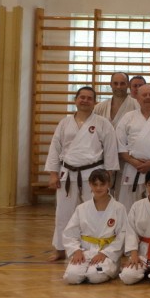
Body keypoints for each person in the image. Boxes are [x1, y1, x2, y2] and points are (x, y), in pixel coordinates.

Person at [45, 86, 120, 260]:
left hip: (94, 174)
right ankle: (60, 248)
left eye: (89, 98)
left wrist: (108, 175)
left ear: (95, 102)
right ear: (75, 100)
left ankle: (96, 247)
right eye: (82, 97)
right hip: (67, 173)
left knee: (94, 211)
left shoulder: (102, 123)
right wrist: (53, 174)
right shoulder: (64, 123)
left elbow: (110, 150)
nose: (85, 100)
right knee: (63, 213)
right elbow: (55, 148)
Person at [61, 169, 127, 284]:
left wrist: (105, 253)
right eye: (95, 184)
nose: (98, 188)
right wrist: (76, 250)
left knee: (95, 275)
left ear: (109, 184)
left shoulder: (119, 208)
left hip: (107, 254)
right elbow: (69, 233)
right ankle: (83, 270)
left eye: (102, 184)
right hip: (85, 252)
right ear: (90, 184)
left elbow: (123, 234)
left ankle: (98, 270)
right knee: (71, 277)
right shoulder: (82, 208)